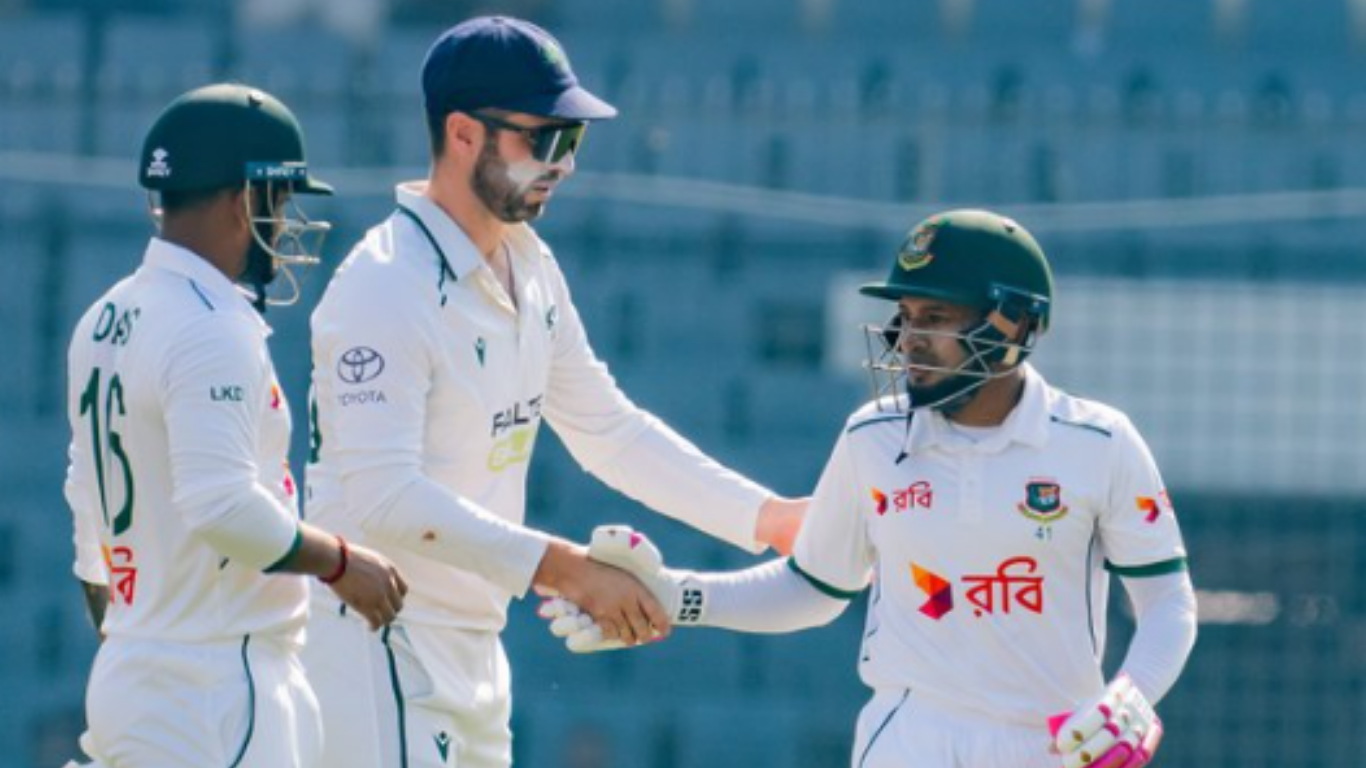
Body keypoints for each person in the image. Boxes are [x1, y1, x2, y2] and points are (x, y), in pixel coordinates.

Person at [299, 15, 807, 768]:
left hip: (471, 643)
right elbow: (384, 497)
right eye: (546, 139)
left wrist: (769, 520)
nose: (563, 164)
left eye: (575, 141)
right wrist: (567, 570)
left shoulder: (529, 265)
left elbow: (610, 430)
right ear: (464, 133)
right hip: (375, 644)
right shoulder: (385, 283)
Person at [545, 210, 1198, 768]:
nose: (908, 340)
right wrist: (678, 596)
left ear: (1013, 325)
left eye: (935, 317)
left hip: (1053, 744)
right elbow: (814, 587)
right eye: (906, 316)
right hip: (909, 734)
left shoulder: (1099, 443)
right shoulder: (873, 438)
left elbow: (1167, 599)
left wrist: (1133, 694)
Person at [62, 83, 408, 768]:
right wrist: (342, 562)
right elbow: (220, 504)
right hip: (217, 682)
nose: (284, 222)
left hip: (136, 672)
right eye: (280, 200)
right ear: (242, 199)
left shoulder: (105, 314)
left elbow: (86, 498)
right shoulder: (209, 325)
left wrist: (135, 638)